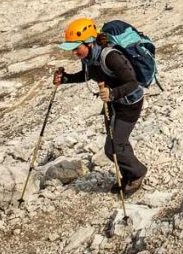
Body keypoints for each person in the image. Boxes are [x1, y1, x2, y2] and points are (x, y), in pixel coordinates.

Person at [54, 18, 148, 195]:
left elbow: (132, 83)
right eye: (72, 49)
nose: (74, 52)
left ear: (89, 43)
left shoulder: (111, 57)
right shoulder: (89, 57)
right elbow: (87, 75)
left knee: (112, 147)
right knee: (116, 143)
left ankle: (137, 174)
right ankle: (127, 176)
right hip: (112, 102)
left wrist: (112, 93)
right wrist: (66, 78)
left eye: (76, 48)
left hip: (129, 104)